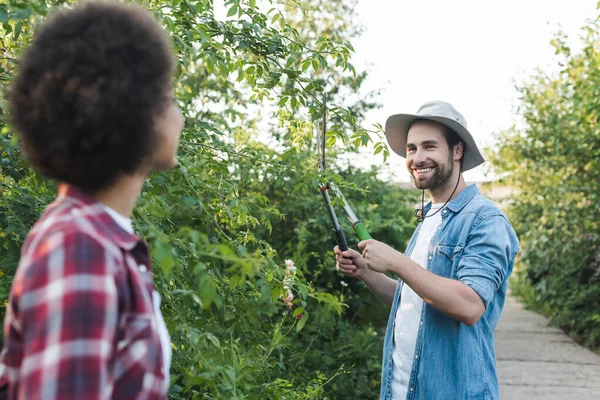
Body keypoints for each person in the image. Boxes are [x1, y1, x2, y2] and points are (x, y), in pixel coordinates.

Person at [0, 1, 183, 399]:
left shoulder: (98, 238)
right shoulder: (80, 246)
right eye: (168, 95)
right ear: (134, 110)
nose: (179, 114)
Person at [334, 101, 519, 400]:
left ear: (457, 151)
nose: (417, 158)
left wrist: (396, 261)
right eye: (411, 148)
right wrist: (367, 272)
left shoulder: (486, 220)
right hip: (403, 389)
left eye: (429, 146)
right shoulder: (431, 216)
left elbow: (469, 306)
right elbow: (414, 300)